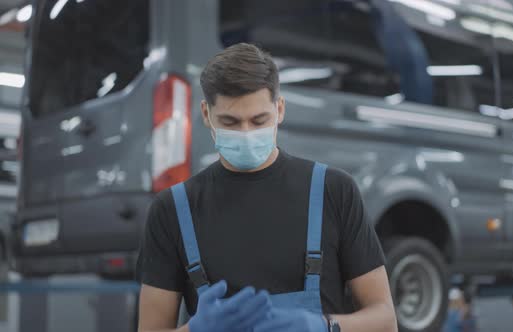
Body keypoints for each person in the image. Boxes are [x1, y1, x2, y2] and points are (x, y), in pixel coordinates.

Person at [136, 42, 398, 332]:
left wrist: (325, 327)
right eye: (230, 122)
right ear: (207, 115)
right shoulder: (172, 210)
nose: (246, 133)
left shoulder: (333, 192)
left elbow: (385, 320)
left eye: (259, 120)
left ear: (280, 109)